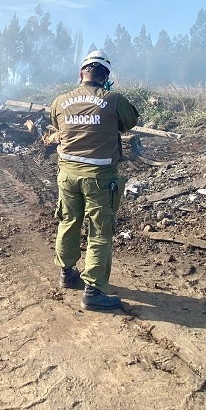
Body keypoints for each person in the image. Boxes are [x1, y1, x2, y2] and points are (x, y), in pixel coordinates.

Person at [50, 50, 139, 310]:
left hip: (67, 175)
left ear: (81, 74)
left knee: (68, 221)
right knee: (100, 231)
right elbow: (129, 123)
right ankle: (93, 292)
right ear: (106, 76)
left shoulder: (60, 100)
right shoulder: (113, 100)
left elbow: (57, 125)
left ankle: (67, 274)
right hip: (100, 178)